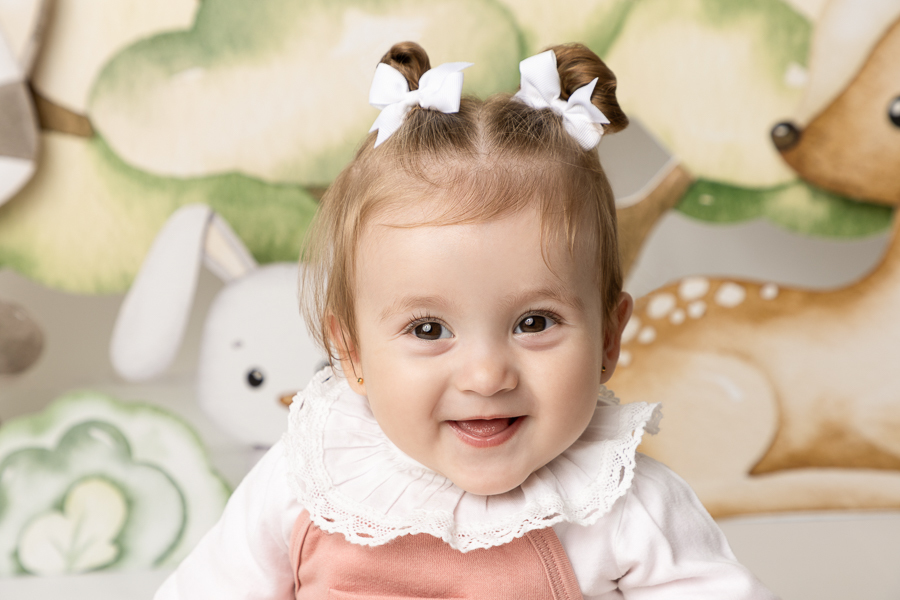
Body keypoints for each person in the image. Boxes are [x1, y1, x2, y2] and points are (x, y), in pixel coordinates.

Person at [155, 41, 777, 599]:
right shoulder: (308, 479)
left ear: (609, 339)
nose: (485, 376)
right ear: (352, 353)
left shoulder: (619, 507)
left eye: (535, 323)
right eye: (428, 330)